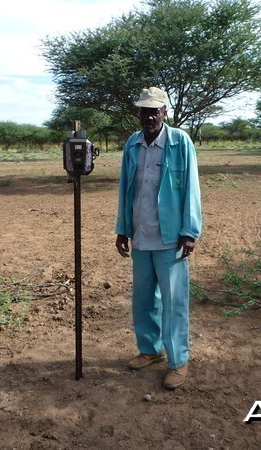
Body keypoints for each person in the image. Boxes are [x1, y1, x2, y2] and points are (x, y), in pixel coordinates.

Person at [115, 87, 202, 389]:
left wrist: (190, 231)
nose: (149, 116)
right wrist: (122, 228)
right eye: (143, 110)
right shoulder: (132, 144)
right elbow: (126, 187)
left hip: (171, 238)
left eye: (155, 111)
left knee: (174, 301)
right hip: (140, 234)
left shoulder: (180, 142)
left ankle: (178, 360)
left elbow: (191, 187)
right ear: (137, 113)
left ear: (165, 112)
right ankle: (150, 350)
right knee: (143, 297)